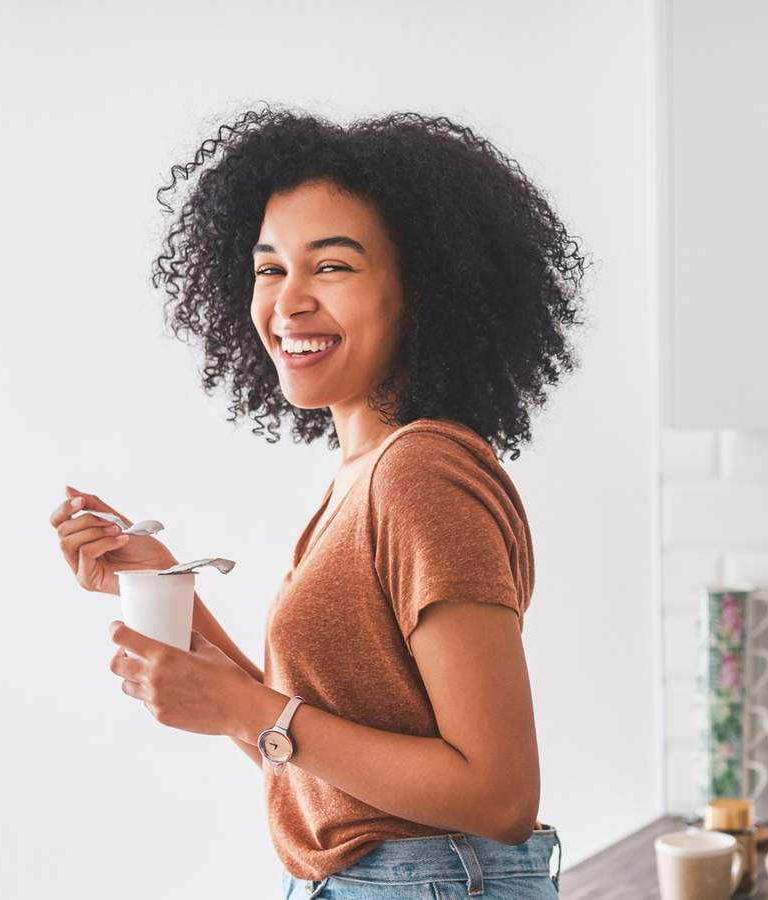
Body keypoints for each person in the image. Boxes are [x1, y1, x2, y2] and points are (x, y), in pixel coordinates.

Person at [47, 104, 588, 898]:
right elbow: (300, 752)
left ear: (421, 291)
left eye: (331, 267)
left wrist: (251, 710)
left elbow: (500, 796)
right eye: (270, 268)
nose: (288, 301)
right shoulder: (365, 476)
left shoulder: (419, 475)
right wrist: (165, 584)